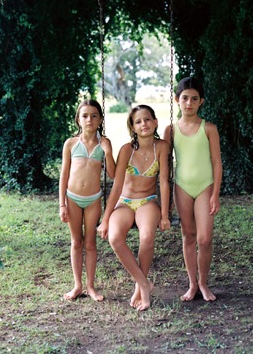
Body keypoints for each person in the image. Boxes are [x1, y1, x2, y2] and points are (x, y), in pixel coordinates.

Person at [97, 104, 171, 311]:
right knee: (114, 238)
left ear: (155, 122)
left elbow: (164, 182)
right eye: (138, 121)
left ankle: (141, 288)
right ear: (133, 127)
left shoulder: (162, 146)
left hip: (148, 201)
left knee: (146, 237)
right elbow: (117, 186)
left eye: (147, 119)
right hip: (125, 202)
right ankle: (143, 283)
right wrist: (105, 219)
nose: (143, 124)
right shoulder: (127, 150)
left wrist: (165, 215)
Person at [163, 77, 222, 302]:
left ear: (201, 101)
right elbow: (165, 165)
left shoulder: (209, 129)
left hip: (205, 186)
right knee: (188, 235)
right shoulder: (171, 130)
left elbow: (216, 162)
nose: (189, 103)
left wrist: (215, 194)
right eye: (185, 98)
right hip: (182, 187)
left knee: (204, 239)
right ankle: (192, 284)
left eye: (194, 99)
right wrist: (167, 197)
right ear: (177, 100)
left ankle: (204, 283)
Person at [59, 99, 116, 302]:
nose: (89, 120)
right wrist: (62, 204)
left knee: (90, 243)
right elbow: (64, 175)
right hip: (72, 199)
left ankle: (90, 286)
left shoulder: (104, 144)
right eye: (85, 116)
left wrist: (108, 152)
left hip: (93, 200)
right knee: (76, 242)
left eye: (94, 116)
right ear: (78, 119)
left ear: (100, 120)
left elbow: (112, 174)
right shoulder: (71, 144)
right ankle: (77, 285)